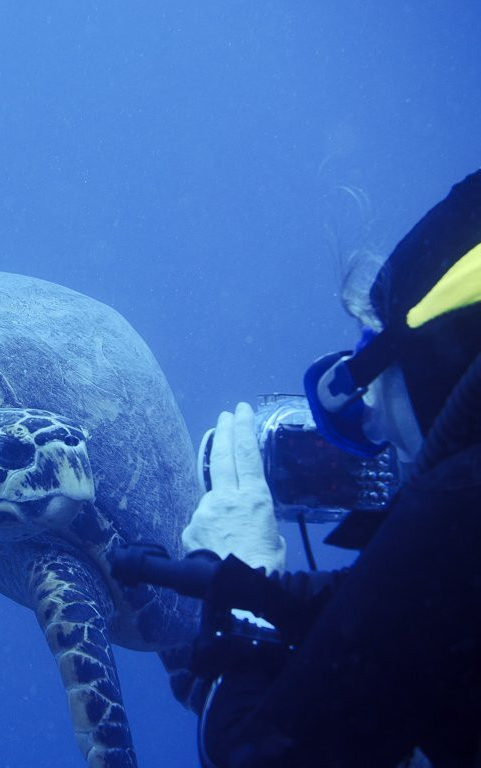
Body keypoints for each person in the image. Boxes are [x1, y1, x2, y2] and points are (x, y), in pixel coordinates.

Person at [148, 169, 480, 767]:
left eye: (370, 355)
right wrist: (266, 609)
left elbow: (253, 756)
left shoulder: (460, 508)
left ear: (439, 362)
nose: (368, 411)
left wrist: (239, 599)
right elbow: (398, 650)